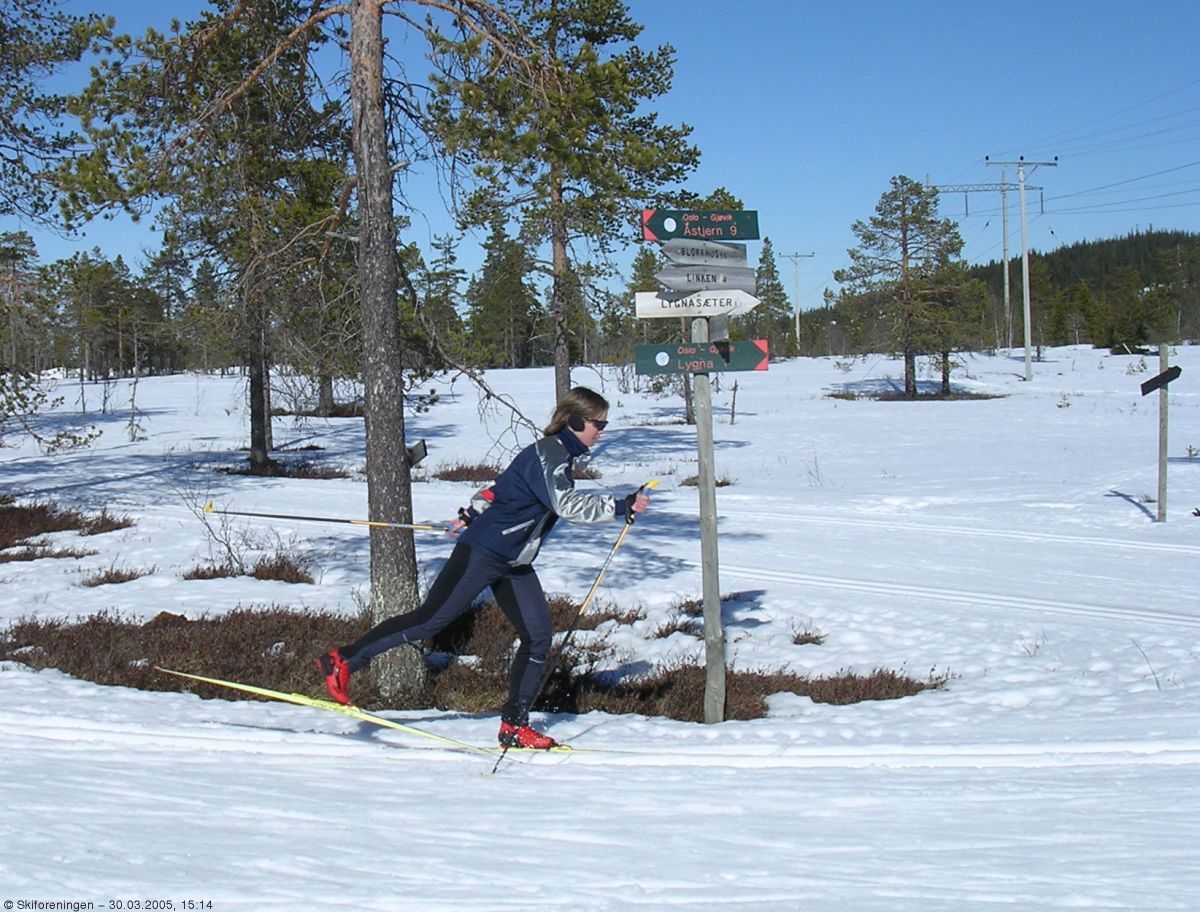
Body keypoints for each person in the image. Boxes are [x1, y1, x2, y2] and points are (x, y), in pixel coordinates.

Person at [316, 386, 650, 750]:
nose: (601, 431)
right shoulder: (550, 454)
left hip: (514, 562)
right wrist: (621, 506)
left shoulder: (554, 456)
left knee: (538, 637)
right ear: (574, 421)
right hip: (484, 552)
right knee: (431, 620)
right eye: (597, 423)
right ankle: (343, 660)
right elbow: (566, 505)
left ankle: (514, 725)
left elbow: (499, 488)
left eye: (604, 423)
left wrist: (472, 511)